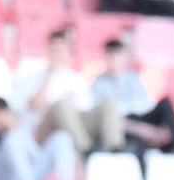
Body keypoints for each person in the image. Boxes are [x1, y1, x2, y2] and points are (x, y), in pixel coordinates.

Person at [91, 39, 174, 161]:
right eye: (111, 56)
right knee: (125, 127)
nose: (115, 60)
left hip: (143, 117)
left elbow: (146, 103)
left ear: (124, 57)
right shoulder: (99, 84)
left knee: (165, 103)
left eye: (118, 55)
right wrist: (148, 130)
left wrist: (153, 128)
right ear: (106, 57)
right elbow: (110, 116)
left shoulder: (133, 78)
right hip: (127, 125)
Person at [14, 28, 124, 158]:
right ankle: (86, 150)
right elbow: (35, 105)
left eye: (62, 51)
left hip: (74, 127)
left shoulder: (76, 79)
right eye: (55, 50)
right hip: (42, 133)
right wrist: (50, 75)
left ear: (68, 53)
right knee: (60, 106)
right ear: (47, 50)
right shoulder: (33, 78)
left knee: (108, 102)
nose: (58, 55)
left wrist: (73, 105)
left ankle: (114, 150)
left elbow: (85, 110)